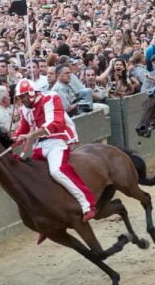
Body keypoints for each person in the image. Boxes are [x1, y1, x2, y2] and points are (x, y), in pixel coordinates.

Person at [13, 79, 96, 225]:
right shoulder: (24, 110)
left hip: (57, 141)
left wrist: (31, 135)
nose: (22, 100)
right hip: (39, 146)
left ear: (32, 93)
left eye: (24, 96)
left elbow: (56, 124)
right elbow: (22, 131)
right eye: (20, 97)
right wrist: (12, 140)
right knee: (33, 176)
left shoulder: (50, 98)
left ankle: (87, 203)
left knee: (57, 171)